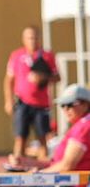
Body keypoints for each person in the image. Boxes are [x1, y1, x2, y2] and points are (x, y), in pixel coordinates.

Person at [4, 26, 60, 164]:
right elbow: (8, 80)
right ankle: (18, 168)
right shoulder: (16, 55)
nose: (33, 41)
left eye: (35, 37)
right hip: (22, 102)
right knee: (20, 137)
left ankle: (43, 169)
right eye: (29, 38)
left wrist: (43, 77)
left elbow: (57, 77)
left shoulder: (47, 55)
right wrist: (8, 100)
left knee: (42, 137)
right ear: (23, 39)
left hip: (41, 104)